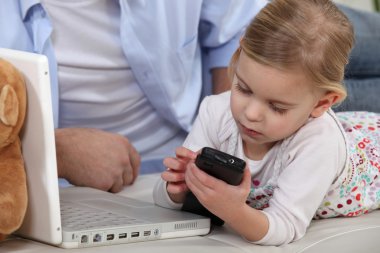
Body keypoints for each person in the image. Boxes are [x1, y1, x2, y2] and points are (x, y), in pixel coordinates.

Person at [153, 0, 380, 246]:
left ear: (320, 105)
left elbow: (285, 226)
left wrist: (233, 211)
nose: (250, 114)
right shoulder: (216, 111)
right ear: (238, 55)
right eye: (243, 88)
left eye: (276, 107)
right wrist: (177, 189)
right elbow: (161, 196)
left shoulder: (319, 142)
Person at [0, 0, 267, 192]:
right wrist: (53, 151)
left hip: (185, 167)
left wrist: (227, 149)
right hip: (34, 183)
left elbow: (237, 32)